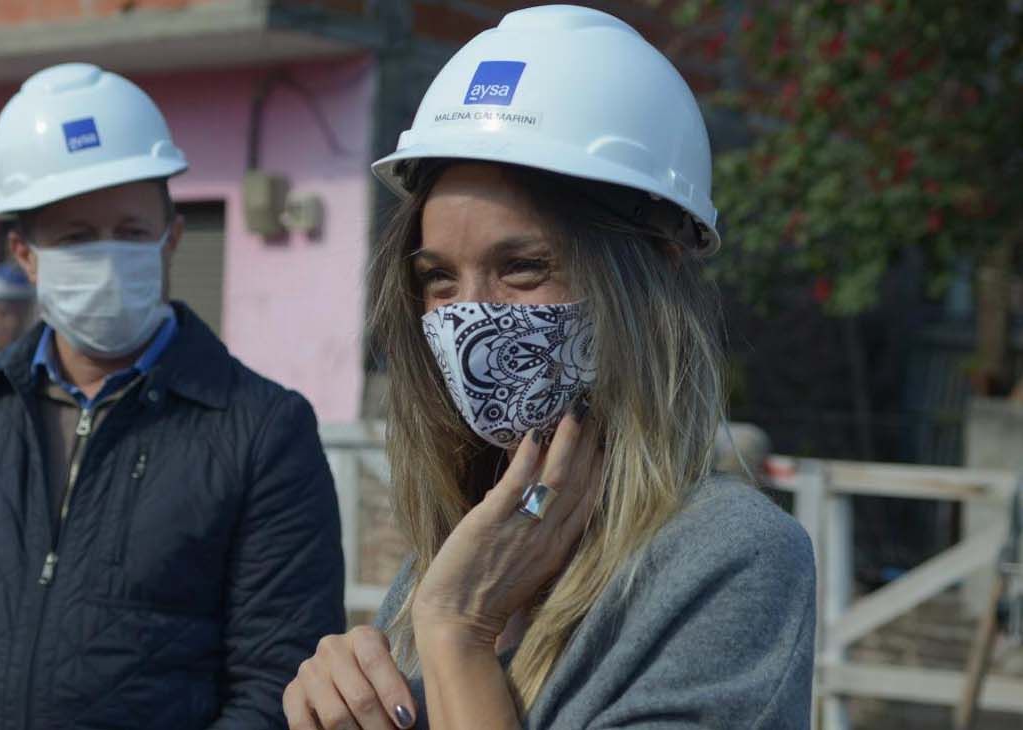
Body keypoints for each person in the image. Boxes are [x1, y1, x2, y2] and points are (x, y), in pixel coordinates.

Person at [283, 6, 815, 729]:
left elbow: (453, 630)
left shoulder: (728, 559)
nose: (470, 316)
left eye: (523, 268)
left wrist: (459, 638)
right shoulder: (458, 550)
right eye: (440, 279)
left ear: (652, 273)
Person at [0, 62, 345, 729]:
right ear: (24, 255)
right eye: (76, 238)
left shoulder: (262, 431)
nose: (108, 257)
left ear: (172, 238)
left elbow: (279, 678)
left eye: (131, 233)